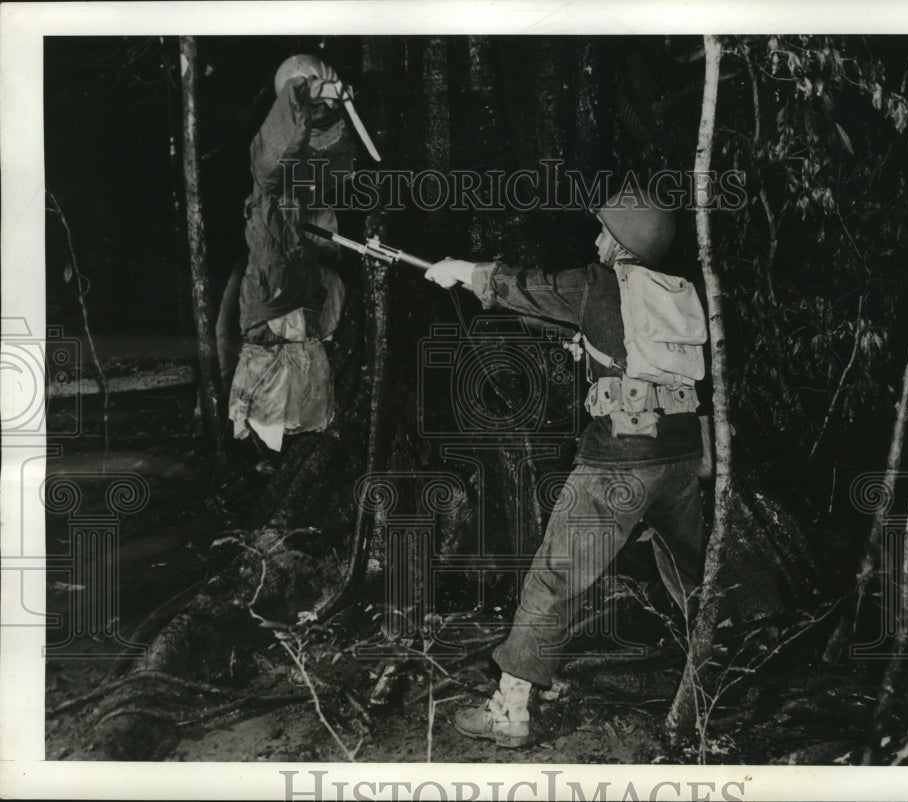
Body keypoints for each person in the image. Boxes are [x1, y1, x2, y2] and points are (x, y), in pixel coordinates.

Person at [424, 187, 712, 748]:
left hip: (619, 463)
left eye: (606, 231)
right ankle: (715, 685)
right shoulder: (677, 291)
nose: (598, 238)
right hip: (680, 458)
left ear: (623, 243)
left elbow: (529, 287)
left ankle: (510, 712)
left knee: (555, 576)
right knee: (692, 576)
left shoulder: (599, 283)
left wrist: (461, 270)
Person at [226, 54, 357, 454]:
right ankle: (261, 458)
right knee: (268, 383)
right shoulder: (270, 178)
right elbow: (274, 151)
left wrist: (333, 108)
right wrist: (302, 90)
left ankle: (285, 451)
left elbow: (334, 161)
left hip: (305, 301)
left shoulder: (313, 189)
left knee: (301, 389)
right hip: (273, 297)